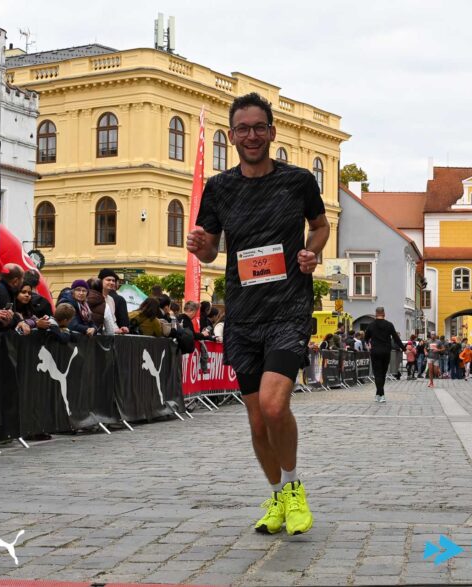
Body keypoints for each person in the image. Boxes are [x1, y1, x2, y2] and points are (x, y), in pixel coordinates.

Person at [186, 92, 328, 536]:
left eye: (259, 127)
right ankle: (277, 496)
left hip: (288, 308)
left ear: (271, 132)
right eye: (243, 129)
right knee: (255, 420)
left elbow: (320, 226)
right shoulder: (219, 188)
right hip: (243, 315)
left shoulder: (298, 181)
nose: (251, 135)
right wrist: (199, 246)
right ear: (232, 136)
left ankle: (294, 488)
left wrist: (311, 252)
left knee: (273, 404)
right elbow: (210, 250)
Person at [364, 307, 404, 402]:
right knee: (383, 373)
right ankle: (380, 394)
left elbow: (366, 338)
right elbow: (396, 338)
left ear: (376, 313)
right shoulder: (389, 325)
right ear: (384, 314)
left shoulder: (371, 325)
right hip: (386, 351)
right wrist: (404, 348)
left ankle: (380, 394)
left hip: (375, 351)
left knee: (377, 373)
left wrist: (368, 344)